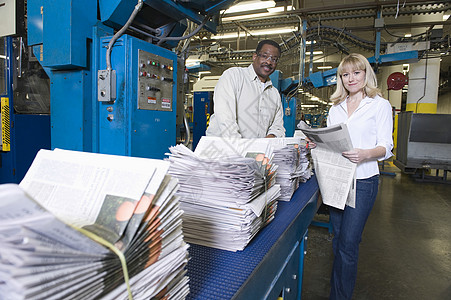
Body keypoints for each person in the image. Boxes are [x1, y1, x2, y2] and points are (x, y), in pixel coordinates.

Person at [327, 53, 393, 300]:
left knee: (348, 244)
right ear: (340, 79)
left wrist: (365, 153)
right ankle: (338, 291)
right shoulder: (335, 108)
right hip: (337, 180)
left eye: (356, 72)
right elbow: (332, 143)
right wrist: (317, 144)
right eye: (345, 74)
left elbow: (386, 146)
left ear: (366, 74)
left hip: (363, 181)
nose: (351, 78)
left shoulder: (379, 105)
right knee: (337, 242)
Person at [205, 39, 285, 138]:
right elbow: (226, 121)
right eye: (264, 56)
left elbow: (278, 127)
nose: (269, 62)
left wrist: (269, 139)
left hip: (255, 151)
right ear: (255, 56)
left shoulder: (274, 94)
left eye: (274, 59)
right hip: (223, 150)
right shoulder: (233, 76)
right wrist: (243, 149)